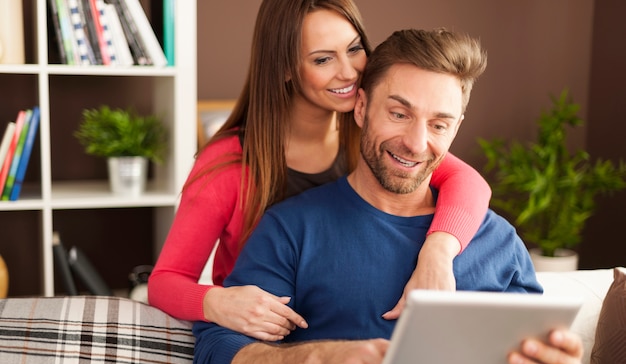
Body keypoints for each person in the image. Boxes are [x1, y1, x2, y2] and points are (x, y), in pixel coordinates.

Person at [192, 27, 584, 364]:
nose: (416, 143)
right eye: (399, 114)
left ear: (456, 127)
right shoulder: (293, 229)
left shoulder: (498, 240)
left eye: (438, 125)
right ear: (361, 107)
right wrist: (321, 361)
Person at [148, 0, 492, 341]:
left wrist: (438, 252)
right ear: (284, 68)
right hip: (267, 338)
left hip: (350, 326)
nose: (350, 71)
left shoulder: (372, 135)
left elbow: (468, 182)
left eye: (354, 48)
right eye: (323, 59)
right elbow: (164, 281)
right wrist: (218, 301)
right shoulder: (229, 162)